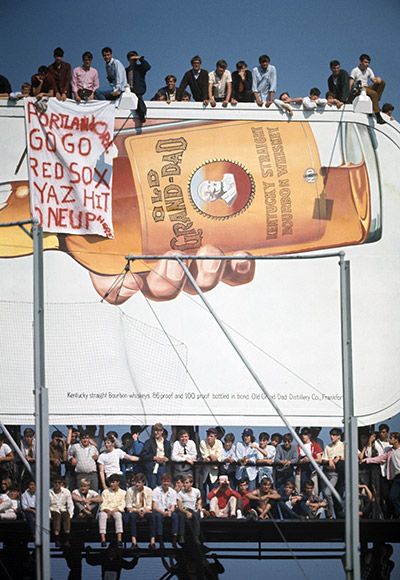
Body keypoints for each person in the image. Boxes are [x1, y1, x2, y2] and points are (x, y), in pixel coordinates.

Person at [362, 431, 400, 518]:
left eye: (391, 438)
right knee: (392, 497)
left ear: (396, 440)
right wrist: (367, 460)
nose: (389, 440)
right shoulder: (389, 451)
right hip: (396, 477)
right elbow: (380, 459)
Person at [124, 472, 156, 549]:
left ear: (143, 482)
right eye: (136, 482)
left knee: (152, 517)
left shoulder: (149, 490)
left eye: (139, 482)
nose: (137, 484)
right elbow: (128, 507)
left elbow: (149, 506)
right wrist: (137, 511)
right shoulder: (130, 490)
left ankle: (152, 541)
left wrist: (144, 512)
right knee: (131, 517)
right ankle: (134, 542)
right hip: (134, 511)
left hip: (146, 511)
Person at [350, 53, 385, 119]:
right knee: (373, 93)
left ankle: (376, 101)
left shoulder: (369, 70)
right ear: (360, 62)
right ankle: (377, 114)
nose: (367, 64)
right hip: (359, 89)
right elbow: (351, 82)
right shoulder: (355, 71)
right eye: (365, 62)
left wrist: (377, 80)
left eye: (368, 63)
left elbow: (373, 80)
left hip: (366, 88)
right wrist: (349, 93)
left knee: (382, 83)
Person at [321, 428, 345, 519]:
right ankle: (330, 515)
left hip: (337, 474)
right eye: (331, 435)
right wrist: (330, 460)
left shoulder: (344, 445)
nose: (332, 437)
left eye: (334, 435)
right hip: (327, 472)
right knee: (326, 494)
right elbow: (323, 459)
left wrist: (339, 457)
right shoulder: (328, 446)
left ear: (339, 436)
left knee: (332, 493)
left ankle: (334, 514)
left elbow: (353, 456)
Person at [99, 474, 126, 548]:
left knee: (118, 515)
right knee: (102, 515)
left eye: (113, 482)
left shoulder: (123, 492)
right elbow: (103, 505)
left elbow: (122, 505)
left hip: (116, 510)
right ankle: (103, 539)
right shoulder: (105, 492)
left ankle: (119, 539)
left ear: (118, 482)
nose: (111, 484)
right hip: (106, 510)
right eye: (110, 482)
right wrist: (108, 511)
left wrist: (114, 511)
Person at [140, 423, 171, 488]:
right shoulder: (149, 442)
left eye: (158, 430)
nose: (156, 432)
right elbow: (143, 455)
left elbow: (170, 455)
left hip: (163, 467)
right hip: (152, 467)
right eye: (155, 430)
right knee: (152, 486)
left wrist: (167, 458)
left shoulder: (167, 443)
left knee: (163, 486)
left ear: (162, 431)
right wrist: (154, 458)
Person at [152, 472, 178, 548]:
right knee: (159, 517)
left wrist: (170, 511)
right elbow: (154, 507)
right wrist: (163, 513)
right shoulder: (156, 490)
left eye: (167, 481)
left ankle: (174, 539)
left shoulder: (173, 492)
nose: (166, 483)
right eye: (164, 481)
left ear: (170, 482)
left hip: (168, 511)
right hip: (159, 511)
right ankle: (161, 540)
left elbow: (173, 506)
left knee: (175, 516)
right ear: (161, 481)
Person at [295, 427, 323, 494]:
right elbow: (295, 459)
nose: (303, 436)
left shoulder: (315, 445)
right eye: (302, 434)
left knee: (314, 491)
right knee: (299, 490)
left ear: (310, 435)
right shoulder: (298, 446)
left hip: (312, 470)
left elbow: (319, 459)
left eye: (305, 434)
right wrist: (302, 460)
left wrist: (309, 459)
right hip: (300, 470)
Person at [125, 50, 151, 121]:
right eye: (132, 59)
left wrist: (140, 58)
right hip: (129, 91)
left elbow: (147, 67)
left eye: (134, 59)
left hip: (138, 90)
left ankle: (142, 115)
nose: (133, 61)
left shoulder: (140, 68)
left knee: (139, 102)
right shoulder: (126, 70)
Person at [177, 475, 202, 545]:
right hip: (183, 509)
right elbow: (179, 507)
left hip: (192, 509)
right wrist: (186, 512)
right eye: (184, 483)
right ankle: (181, 536)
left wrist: (199, 505)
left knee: (196, 516)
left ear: (191, 483)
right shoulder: (180, 493)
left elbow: (199, 499)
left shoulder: (196, 491)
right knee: (181, 516)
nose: (185, 485)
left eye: (187, 483)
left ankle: (196, 536)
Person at [49, 477, 74, 547]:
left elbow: (70, 504)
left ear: (62, 483)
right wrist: (49, 515)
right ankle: (57, 539)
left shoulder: (66, 492)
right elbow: (47, 505)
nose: (57, 484)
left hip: (63, 509)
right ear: (52, 483)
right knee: (57, 516)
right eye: (55, 483)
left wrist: (71, 515)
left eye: (59, 483)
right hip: (53, 510)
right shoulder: (49, 492)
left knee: (66, 516)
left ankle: (67, 539)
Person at [200, 427, 223, 500]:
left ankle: (212, 509)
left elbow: (219, 459)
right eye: (208, 435)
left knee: (214, 493)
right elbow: (205, 457)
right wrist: (212, 456)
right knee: (202, 493)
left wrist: (210, 457)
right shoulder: (203, 442)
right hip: (204, 471)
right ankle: (203, 509)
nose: (209, 438)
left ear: (215, 437)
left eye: (211, 436)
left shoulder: (219, 443)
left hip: (214, 472)